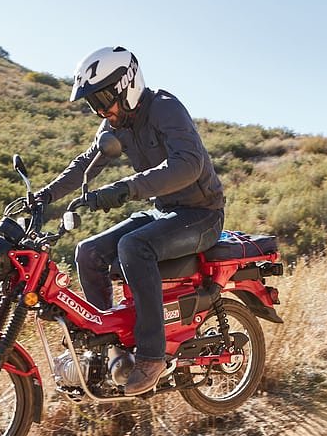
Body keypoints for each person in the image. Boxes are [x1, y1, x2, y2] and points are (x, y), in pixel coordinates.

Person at [34, 46, 225, 395]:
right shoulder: (115, 123)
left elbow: (188, 165)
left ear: (128, 85)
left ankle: (152, 357)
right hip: (165, 212)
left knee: (133, 247)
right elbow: (86, 164)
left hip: (201, 214)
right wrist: (45, 196)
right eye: (94, 103)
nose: (101, 110)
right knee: (87, 252)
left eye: (104, 98)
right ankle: (111, 345)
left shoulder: (166, 109)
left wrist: (126, 188)